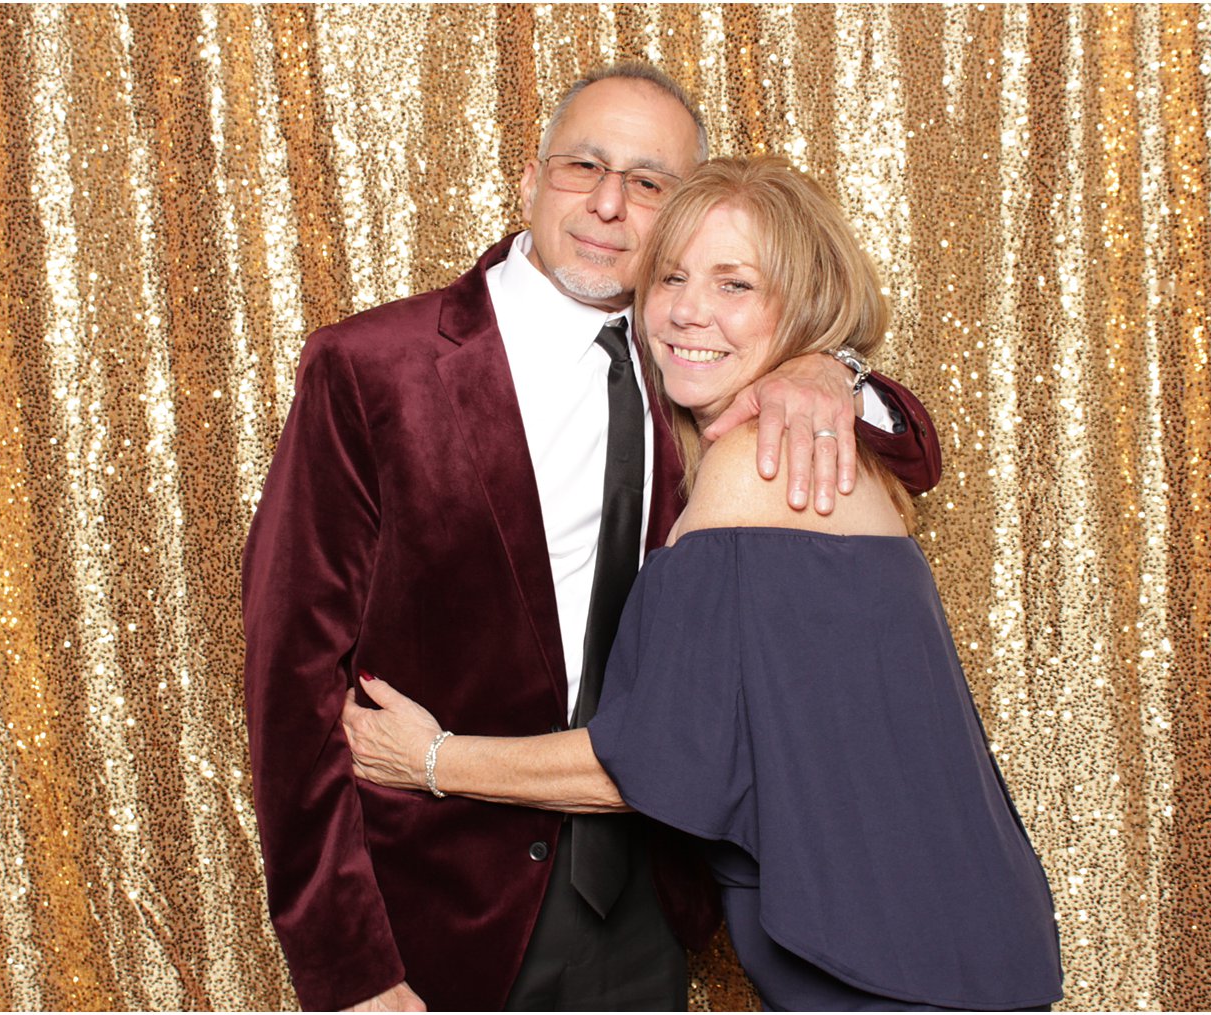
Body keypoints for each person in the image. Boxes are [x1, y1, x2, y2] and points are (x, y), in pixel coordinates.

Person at [242, 63, 942, 1012]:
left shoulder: (702, 363)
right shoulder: (373, 367)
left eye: (651, 183)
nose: (611, 204)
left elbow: (912, 447)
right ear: (531, 180)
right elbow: (290, 677)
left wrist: (828, 366)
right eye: (584, 166)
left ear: (682, 219)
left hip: (648, 898)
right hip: (433, 914)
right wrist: (352, 968)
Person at [342, 156, 1062, 1012]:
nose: (688, 309)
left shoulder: (761, 468)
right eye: (672, 277)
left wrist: (430, 758)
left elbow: (646, 763)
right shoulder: (815, 444)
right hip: (947, 946)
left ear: (803, 306)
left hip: (889, 973)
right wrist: (833, 367)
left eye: (735, 284)